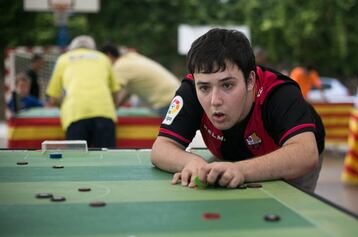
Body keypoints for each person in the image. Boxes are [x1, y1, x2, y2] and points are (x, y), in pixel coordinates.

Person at [151, 28, 325, 193]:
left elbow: (306, 154)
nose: (215, 100)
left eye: (227, 85)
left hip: (287, 154)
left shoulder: (279, 92)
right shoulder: (190, 91)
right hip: (232, 154)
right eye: (204, 88)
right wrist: (193, 162)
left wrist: (240, 169)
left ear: (250, 80)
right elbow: (161, 148)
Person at [46, 35, 120, 148]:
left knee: (77, 161)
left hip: (75, 113)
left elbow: (53, 97)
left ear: (72, 48)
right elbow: (115, 92)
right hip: (105, 112)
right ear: (93, 48)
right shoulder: (103, 58)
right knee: (107, 159)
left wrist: (62, 106)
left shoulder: (63, 59)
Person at [100, 45, 180, 116]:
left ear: (109, 55)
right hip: (177, 95)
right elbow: (126, 93)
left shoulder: (120, 66)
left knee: (169, 132)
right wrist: (115, 107)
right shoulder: (131, 59)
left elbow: (111, 92)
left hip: (167, 101)